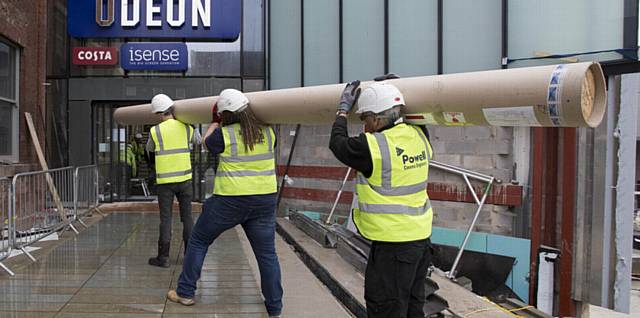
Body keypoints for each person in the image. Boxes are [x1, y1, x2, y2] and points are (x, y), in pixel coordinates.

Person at [167, 89, 283, 318]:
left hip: (230, 200)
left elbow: (206, 143)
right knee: (267, 255)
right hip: (264, 200)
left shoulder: (225, 135)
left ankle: (185, 292)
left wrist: (215, 121)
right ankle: (275, 307)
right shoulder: (270, 133)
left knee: (199, 240)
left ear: (225, 115)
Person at [329, 79, 434, 318]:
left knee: (385, 309)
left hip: (393, 246)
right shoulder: (418, 135)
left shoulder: (373, 146)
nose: (365, 125)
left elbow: (337, 144)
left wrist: (342, 111)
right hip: (420, 242)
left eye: (365, 119)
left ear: (376, 119)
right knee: (412, 308)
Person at [146, 94, 201, 268]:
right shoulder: (185, 128)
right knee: (187, 218)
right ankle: (189, 256)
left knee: (166, 219)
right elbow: (199, 141)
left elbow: (149, 149)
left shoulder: (155, 131)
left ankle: (163, 258)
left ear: (158, 113)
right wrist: (192, 124)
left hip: (165, 183)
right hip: (185, 180)